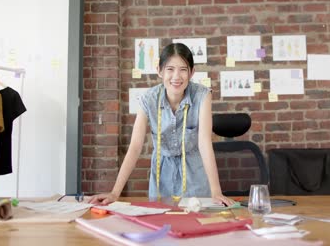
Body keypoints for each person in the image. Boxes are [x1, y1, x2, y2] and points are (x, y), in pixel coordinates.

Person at [89, 43, 234, 206]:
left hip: (195, 172)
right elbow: (135, 146)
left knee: (198, 219)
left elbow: (204, 143)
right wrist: (115, 192)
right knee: (161, 219)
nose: (176, 76)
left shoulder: (202, 96)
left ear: (192, 72)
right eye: (170, 69)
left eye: (183, 70)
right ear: (159, 70)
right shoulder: (148, 99)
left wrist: (216, 191)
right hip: (162, 173)